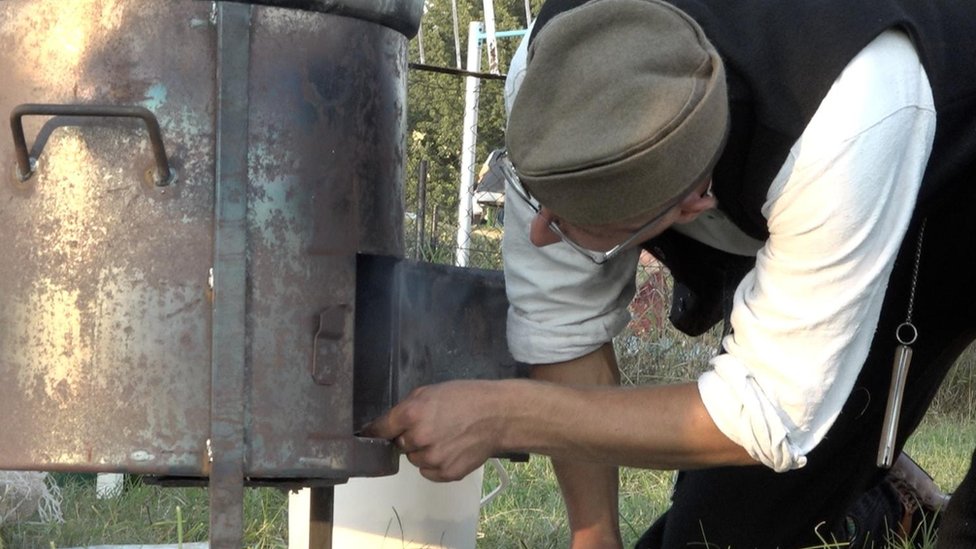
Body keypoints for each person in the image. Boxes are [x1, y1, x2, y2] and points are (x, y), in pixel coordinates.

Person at [366, 0, 976, 547]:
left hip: (950, 177)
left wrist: (505, 414)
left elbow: (768, 412)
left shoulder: (850, 115)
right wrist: (594, 534)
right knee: (711, 538)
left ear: (692, 207)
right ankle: (884, 494)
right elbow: (563, 322)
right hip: (824, 173)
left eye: (589, 230)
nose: (536, 231)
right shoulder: (558, 71)